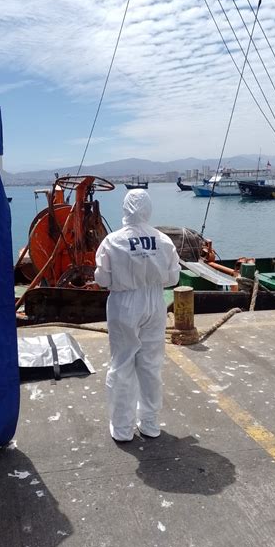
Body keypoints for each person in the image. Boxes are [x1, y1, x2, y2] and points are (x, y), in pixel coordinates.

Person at [94, 189, 181, 442]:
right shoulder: (163, 240)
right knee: (151, 364)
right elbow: (174, 277)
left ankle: (122, 429)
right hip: (155, 302)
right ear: (148, 208)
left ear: (125, 208)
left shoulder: (112, 241)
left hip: (124, 303)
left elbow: (102, 279)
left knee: (122, 363)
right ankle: (150, 424)